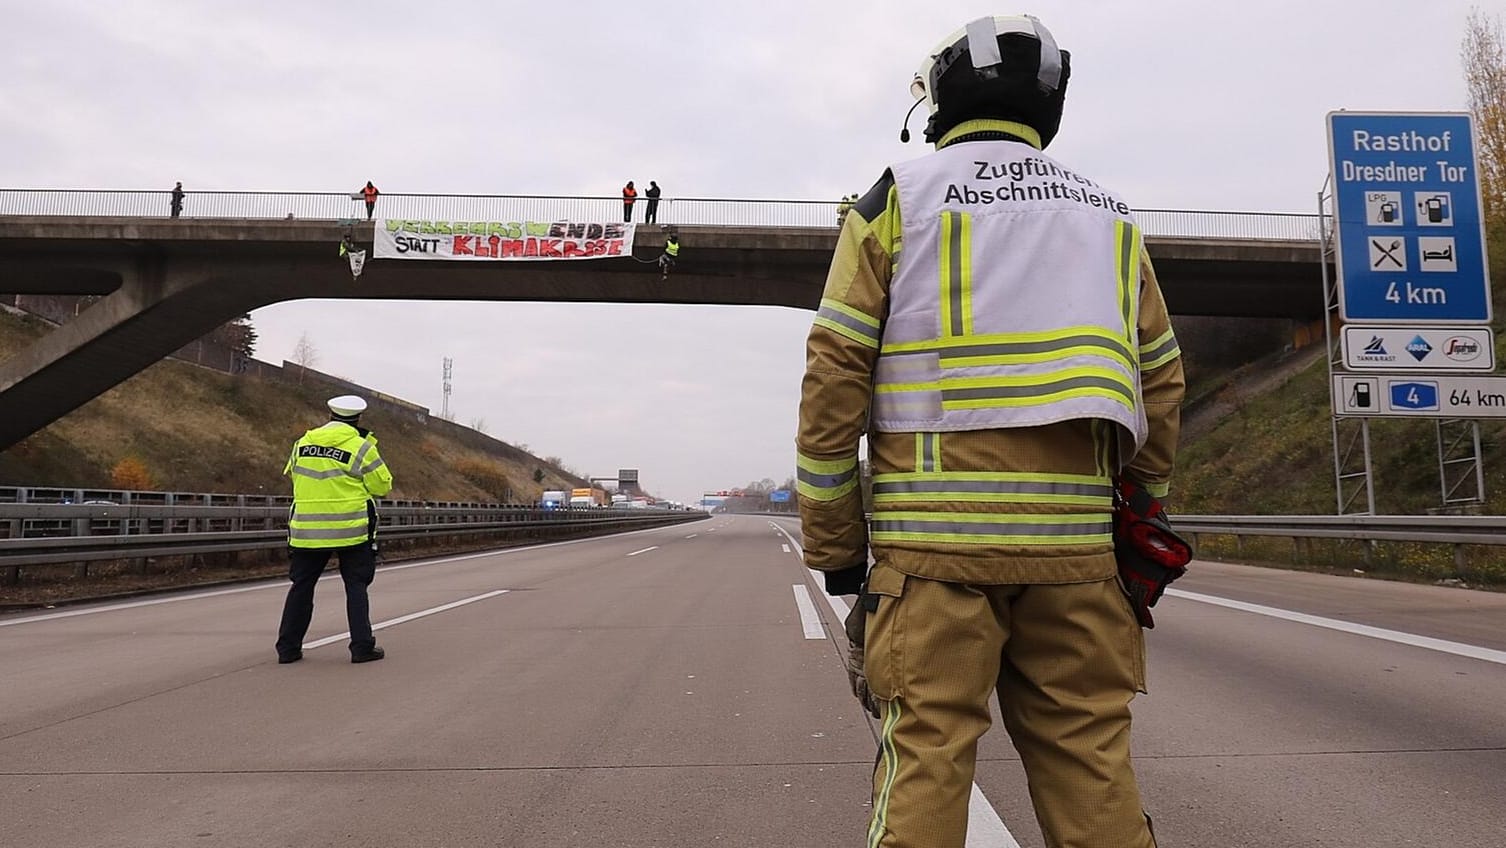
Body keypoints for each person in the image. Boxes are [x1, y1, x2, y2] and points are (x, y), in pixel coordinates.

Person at [795, 15, 1184, 848]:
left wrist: (837, 549)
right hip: (1077, 558)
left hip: (933, 559)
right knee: (1092, 766)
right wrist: (1137, 511)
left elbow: (834, 381)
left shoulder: (896, 199)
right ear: (1048, 107)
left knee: (927, 759)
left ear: (943, 99)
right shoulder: (1109, 218)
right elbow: (1163, 381)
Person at [276, 395, 394, 664]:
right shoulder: (361, 447)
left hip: (307, 529)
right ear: (358, 419)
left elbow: (295, 476)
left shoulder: (302, 443)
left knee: (302, 586)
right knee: (356, 585)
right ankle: (362, 648)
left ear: (329, 415)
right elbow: (382, 487)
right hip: (350, 529)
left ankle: (288, 649)